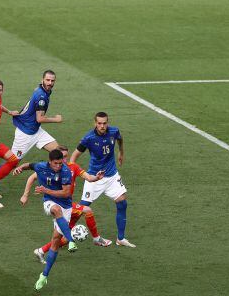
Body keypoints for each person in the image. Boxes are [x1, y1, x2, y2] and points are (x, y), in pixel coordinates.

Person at [18, 145, 109, 264]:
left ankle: (41, 251)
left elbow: (88, 177)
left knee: (63, 238)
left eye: (66, 157)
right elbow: (32, 177)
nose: (64, 160)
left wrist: (96, 177)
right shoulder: (49, 168)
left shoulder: (73, 167)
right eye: (62, 157)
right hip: (57, 205)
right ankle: (96, 239)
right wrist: (25, 194)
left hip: (67, 205)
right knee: (87, 210)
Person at [0, 70, 62, 196]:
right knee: (12, 162)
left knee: (58, 151)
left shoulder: (43, 89)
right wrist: (56, 119)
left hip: (35, 130)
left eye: (52, 81)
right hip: (25, 133)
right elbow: (39, 118)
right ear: (42, 80)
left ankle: (60, 179)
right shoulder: (42, 97)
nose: (50, 83)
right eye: (47, 80)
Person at [13, 149, 78, 291]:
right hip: (49, 202)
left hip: (66, 206)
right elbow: (28, 165)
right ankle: (71, 241)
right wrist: (19, 168)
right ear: (50, 162)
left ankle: (44, 276)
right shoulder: (41, 166)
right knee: (56, 210)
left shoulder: (65, 171)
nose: (59, 166)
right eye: (56, 163)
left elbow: (66, 192)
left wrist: (45, 190)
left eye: (61, 163)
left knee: (55, 242)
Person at [69, 112, 136, 248]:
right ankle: (65, 233)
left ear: (108, 122)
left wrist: (121, 152)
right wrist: (72, 175)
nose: (102, 126)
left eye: (104, 123)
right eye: (99, 123)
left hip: (111, 176)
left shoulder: (114, 131)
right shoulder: (88, 138)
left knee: (122, 202)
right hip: (94, 178)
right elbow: (73, 157)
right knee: (81, 208)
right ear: (95, 123)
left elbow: (120, 139)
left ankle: (120, 238)